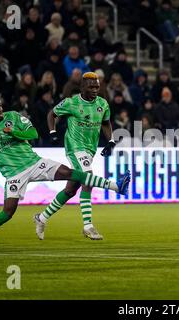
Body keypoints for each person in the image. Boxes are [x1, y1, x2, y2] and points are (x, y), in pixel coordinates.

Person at [0, 92, 130, 252]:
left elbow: (33, 134)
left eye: (0, 105)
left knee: (71, 173)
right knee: (7, 213)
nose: (0, 109)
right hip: (14, 175)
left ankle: (116, 186)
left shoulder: (13, 117)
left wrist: (14, 133)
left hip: (35, 163)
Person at [34, 72, 118, 240]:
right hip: (74, 147)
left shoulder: (103, 104)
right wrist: (52, 132)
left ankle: (41, 218)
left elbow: (106, 123)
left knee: (71, 190)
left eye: (97, 86)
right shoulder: (71, 103)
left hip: (90, 150)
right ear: (82, 87)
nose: (95, 89)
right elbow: (52, 114)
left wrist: (111, 141)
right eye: (91, 86)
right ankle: (88, 226)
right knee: (88, 178)